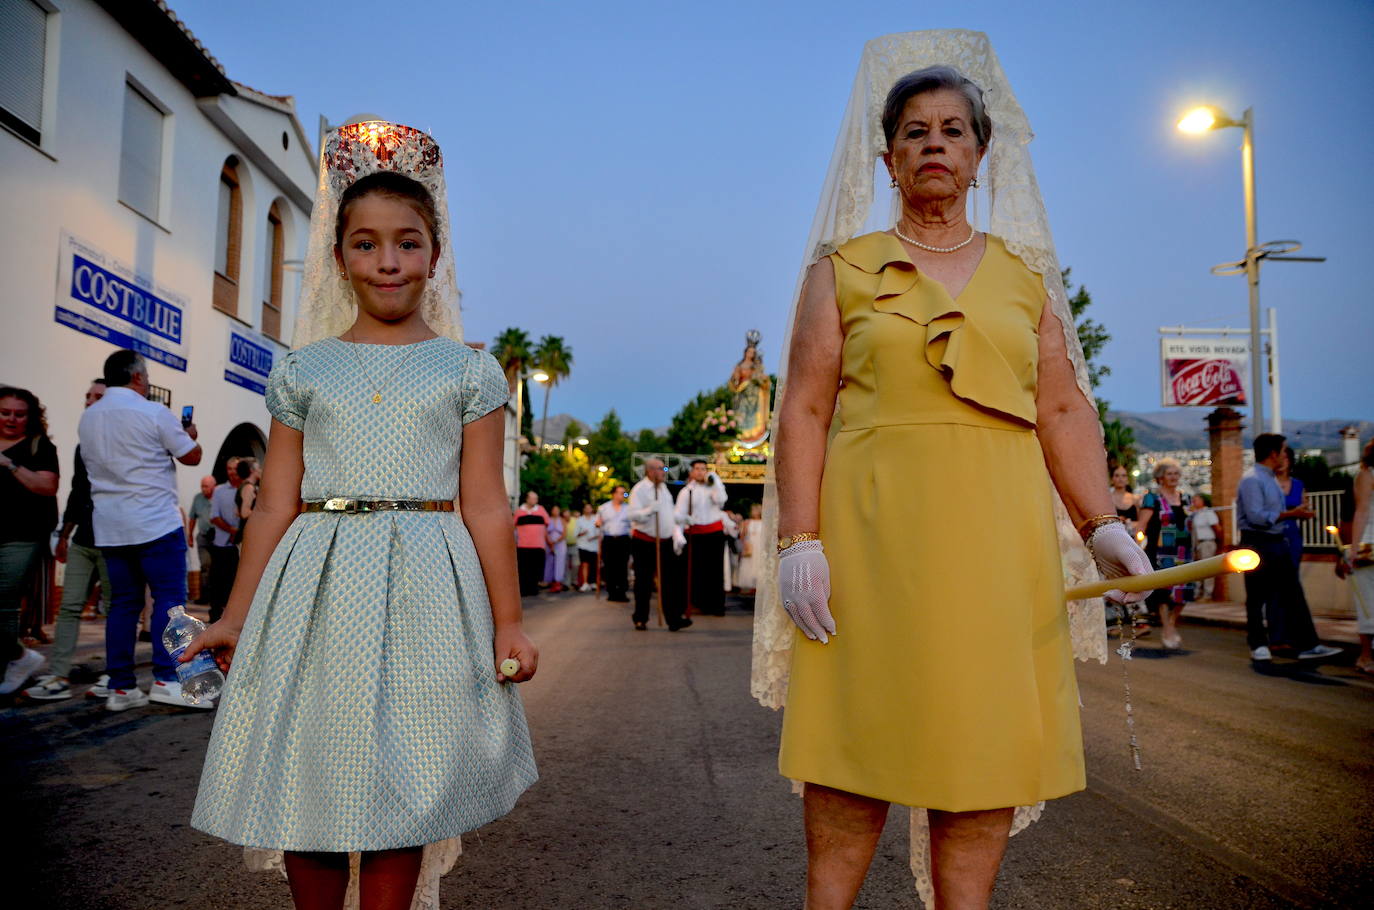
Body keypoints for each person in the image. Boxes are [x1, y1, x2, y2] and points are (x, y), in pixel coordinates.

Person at [752, 41, 1156, 909]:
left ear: (980, 153)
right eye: (914, 132)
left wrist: (1104, 525)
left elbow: (1061, 410)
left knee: (981, 758)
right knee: (852, 752)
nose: (934, 144)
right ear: (888, 155)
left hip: (997, 548)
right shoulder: (841, 269)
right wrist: (799, 539)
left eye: (952, 130)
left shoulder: (1025, 279)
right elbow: (806, 410)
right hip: (868, 545)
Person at [184, 121, 538, 909]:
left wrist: (508, 622)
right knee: (309, 779)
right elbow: (276, 501)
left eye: (407, 244)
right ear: (339, 258)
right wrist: (235, 615)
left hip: (427, 588)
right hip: (314, 587)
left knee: (404, 784)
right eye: (367, 243)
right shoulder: (304, 370)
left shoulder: (469, 372)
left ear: (434, 257)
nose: (388, 261)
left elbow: (484, 500)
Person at [77, 350, 205, 711]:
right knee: (169, 601)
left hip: (111, 525)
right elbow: (191, 456)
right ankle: (166, 679)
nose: (147, 381)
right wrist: (189, 435)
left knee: (122, 605)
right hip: (154, 522)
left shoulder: (88, 418)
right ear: (136, 377)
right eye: (145, 376)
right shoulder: (152, 412)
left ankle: (121, 687)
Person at [21, 381, 113, 700]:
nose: (90, 401)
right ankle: (58, 675)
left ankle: (116, 675)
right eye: (87, 396)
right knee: (70, 606)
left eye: (98, 397)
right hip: (84, 538)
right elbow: (77, 490)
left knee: (116, 609)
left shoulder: (126, 440)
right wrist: (65, 532)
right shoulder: (82, 445)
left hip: (116, 539)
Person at [1236, 432, 1341, 662]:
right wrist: (1291, 514)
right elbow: (1256, 516)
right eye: (1283, 450)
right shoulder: (1252, 479)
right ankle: (1258, 644)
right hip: (1258, 541)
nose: (1286, 455)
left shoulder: (1269, 478)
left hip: (1276, 541)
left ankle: (1307, 644)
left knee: (1292, 593)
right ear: (1273, 453)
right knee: (1257, 595)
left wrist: (1294, 515)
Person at [0, 386, 60, 695]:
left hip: (20, 536)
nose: (11, 419)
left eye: (19, 414)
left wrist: (8, 464)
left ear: (31, 417)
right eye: (5, 412)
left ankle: (11, 665)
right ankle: (20, 656)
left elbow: (47, 486)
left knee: (5, 604)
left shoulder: (39, 446)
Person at [1136, 459, 1192, 650]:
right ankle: (1167, 628)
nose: (1174, 477)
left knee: (1183, 591)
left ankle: (1172, 622)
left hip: (1183, 550)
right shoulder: (1152, 498)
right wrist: (1136, 546)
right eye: (1170, 473)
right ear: (1160, 477)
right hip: (1160, 551)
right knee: (1163, 591)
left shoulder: (1185, 498)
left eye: (1176, 473)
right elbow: (1142, 524)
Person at [628, 458, 688, 631]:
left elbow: (669, 514)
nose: (664, 472)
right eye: (662, 469)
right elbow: (632, 515)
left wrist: (681, 518)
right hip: (645, 541)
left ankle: (673, 619)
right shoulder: (639, 490)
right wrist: (648, 511)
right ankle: (640, 618)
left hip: (664, 542)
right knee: (644, 582)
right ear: (651, 471)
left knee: (669, 582)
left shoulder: (663, 489)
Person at [1336, 439, 1374, 675]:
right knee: (1367, 602)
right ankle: (1365, 655)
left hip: (1368, 541)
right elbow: (1360, 511)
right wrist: (1352, 550)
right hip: (1369, 544)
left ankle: (1367, 655)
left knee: (1369, 601)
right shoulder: (1367, 475)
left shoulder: (1366, 475)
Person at [676, 458, 729, 616]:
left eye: (703, 469)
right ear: (691, 472)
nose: (700, 471)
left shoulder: (713, 487)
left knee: (715, 570)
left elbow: (721, 501)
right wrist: (685, 521)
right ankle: (698, 603)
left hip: (713, 532)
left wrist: (716, 482)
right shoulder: (687, 491)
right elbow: (678, 513)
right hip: (696, 533)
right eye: (697, 469)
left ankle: (717, 605)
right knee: (697, 570)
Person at [206, 462, 245, 625]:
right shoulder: (219, 491)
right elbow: (214, 516)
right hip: (222, 544)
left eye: (235, 468)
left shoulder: (247, 488)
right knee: (218, 581)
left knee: (237, 581)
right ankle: (215, 614)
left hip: (243, 546)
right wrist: (233, 531)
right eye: (229, 468)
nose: (232, 472)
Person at [1276, 446, 1310, 570]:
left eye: (1285, 458)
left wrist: (1306, 512)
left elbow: (1304, 506)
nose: (1281, 462)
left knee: (1293, 571)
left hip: (1293, 535)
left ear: (1290, 461)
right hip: (1273, 535)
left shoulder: (1298, 484)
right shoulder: (1267, 484)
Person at [596, 485, 632, 601]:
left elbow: (633, 524)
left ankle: (622, 592)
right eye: (621, 493)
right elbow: (598, 522)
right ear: (614, 494)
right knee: (609, 566)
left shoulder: (628, 508)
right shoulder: (603, 508)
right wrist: (598, 523)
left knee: (622, 566)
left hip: (623, 539)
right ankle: (611, 592)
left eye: (624, 493)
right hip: (609, 539)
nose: (623, 495)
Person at [187, 474, 216, 603]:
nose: (204, 489)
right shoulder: (198, 499)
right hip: (203, 536)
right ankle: (204, 596)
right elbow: (192, 518)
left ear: (213, 486)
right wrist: (190, 536)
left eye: (206, 486)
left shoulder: (219, 496)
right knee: (205, 565)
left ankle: (218, 596)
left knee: (218, 567)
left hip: (219, 536)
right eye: (202, 486)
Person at [515, 491, 549, 597]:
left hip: (538, 545)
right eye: (533, 498)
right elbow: (513, 524)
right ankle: (524, 590)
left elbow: (547, 523)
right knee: (524, 569)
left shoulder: (541, 510)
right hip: (523, 545)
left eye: (536, 498)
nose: (536, 500)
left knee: (536, 568)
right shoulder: (519, 511)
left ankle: (534, 589)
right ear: (527, 499)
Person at [1189, 493, 1221, 601]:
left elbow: (1217, 528)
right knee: (1199, 569)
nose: (1194, 502)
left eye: (1196, 500)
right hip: (1198, 544)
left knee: (1208, 569)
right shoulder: (1196, 514)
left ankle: (1208, 594)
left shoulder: (1208, 512)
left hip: (1207, 542)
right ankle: (1198, 592)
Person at [736, 503, 764, 595]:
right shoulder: (747, 522)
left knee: (758, 564)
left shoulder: (764, 522)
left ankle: (758, 585)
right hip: (750, 546)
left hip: (760, 546)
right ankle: (749, 585)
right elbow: (742, 535)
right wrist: (744, 543)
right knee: (748, 564)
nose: (753, 512)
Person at [574, 502, 600, 592]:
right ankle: (585, 583)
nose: (588, 509)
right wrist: (582, 533)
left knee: (594, 565)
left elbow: (600, 532)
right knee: (585, 564)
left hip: (594, 545)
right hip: (583, 545)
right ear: (584, 509)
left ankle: (593, 582)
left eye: (590, 508)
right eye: (586, 508)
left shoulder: (596, 519)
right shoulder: (579, 520)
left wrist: (594, 537)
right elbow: (575, 534)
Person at [543, 504, 567, 593]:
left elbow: (564, 533)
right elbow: (545, 532)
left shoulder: (562, 520)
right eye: (554, 510)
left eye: (557, 510)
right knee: (550, 562)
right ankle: (550, 582)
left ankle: (558, 582)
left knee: (559, 562)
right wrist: (550, 543)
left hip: (560, 544)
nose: (556, 511)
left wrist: (555, 541)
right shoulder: (548, 519)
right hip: (549, 544)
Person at [1111, 465, 1139, 534]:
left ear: (1127, 479)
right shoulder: (1107, 499)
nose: (1120, 479)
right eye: (1117, 475)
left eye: (1123, 475)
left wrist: (1128, 522)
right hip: (1114, 536)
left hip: (1132, 537)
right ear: (1112, 479)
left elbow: (1141, 522)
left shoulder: (1135, 499)